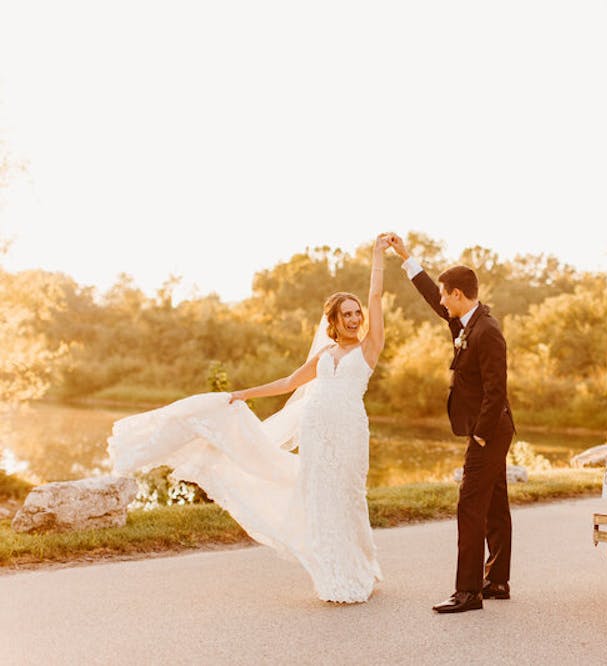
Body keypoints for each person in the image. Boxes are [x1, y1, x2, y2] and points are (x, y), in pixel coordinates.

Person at [107, 235, 390, 603]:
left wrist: (377, 256)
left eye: (357, 313)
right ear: (334, 320)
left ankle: (361, 566)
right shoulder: (323, 354)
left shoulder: (369, 348)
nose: (354, 319)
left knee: (347, 497)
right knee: (319, 499)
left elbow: (376, 298)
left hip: (349, 432)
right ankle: (333, 571)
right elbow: (289, 383)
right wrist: (243, 394)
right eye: (346, 314)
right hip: (317, 432)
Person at [386, 233, 516, 614]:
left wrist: (478, 434)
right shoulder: (466, 323)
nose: (441, 301)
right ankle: (498, 580)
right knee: (494, 505)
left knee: (470, 506)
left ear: (458, 294)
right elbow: (431, 296)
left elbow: (497, 390)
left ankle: (468, 592)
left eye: (446, 295)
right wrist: (407, 258)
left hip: (488, 432)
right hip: (490, 430)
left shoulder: (487, 332)